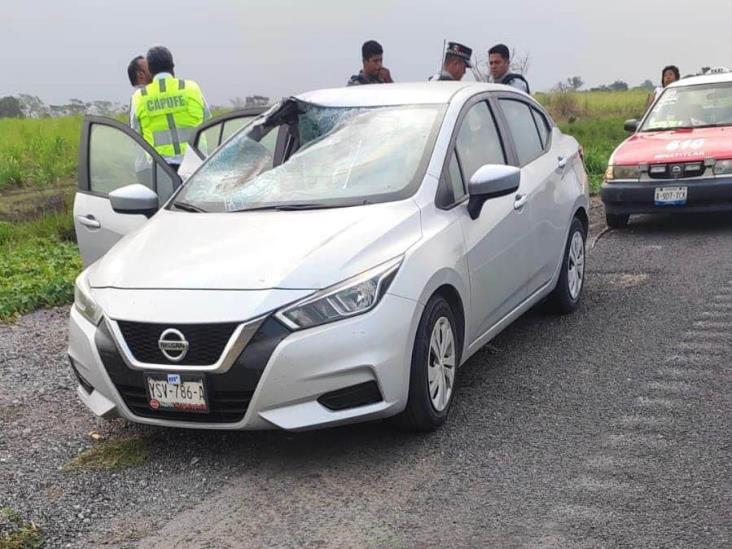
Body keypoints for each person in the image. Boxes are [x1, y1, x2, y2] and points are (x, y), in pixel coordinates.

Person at [130, 46, 211, 169]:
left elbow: (136, 134)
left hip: (162, 169)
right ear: (172, 66)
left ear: (150, 70)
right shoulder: (191, 88)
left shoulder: (139, 97)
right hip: (196, 164)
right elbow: (208, 121)